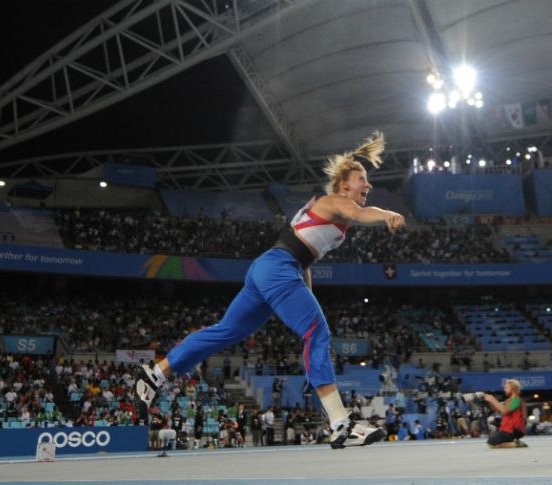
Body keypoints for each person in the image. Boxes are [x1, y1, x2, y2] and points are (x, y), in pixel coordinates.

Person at [136, 132, 401, 449]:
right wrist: (388, 214)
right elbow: (360, 214)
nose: (367, 186)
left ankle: (156, 373)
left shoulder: (330, 212)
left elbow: (305, 261)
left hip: (271, 268)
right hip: (277, 267)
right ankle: (341, 424)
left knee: (225, 331)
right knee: (316, 332)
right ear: (344, 185)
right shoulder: (336, 202)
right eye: (362, 180)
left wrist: (309, 296)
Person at [484, 379, 528, 448]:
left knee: (491, 443)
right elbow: (497, 409)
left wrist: (493, 399)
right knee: (493, 443)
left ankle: (516, 444)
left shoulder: (516, 400)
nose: (504, 389)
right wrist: (489, 402)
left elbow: (504, 410)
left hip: (513, 429)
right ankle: (514, 443)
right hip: (508, 429)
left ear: (513, 389)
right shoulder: (509, 400)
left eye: (506, 388)